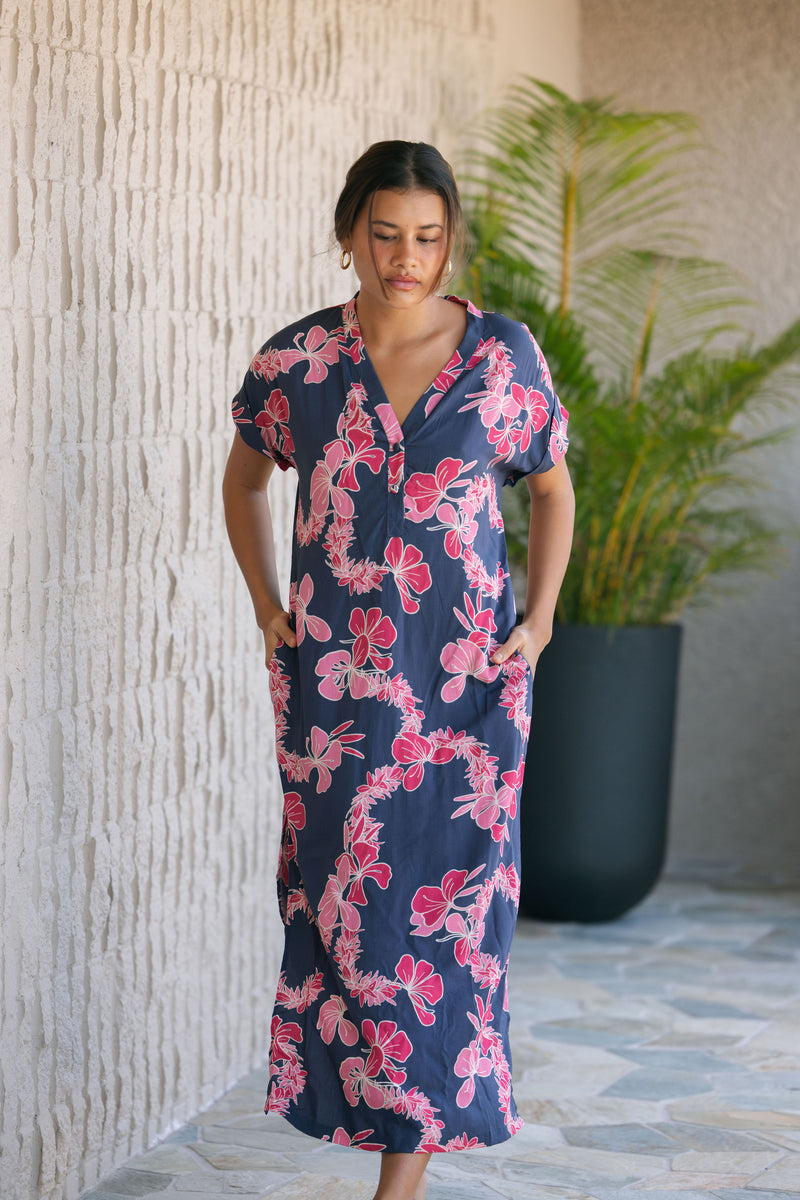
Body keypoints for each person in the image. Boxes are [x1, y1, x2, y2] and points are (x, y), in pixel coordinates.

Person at [222, 140, 574, 1200]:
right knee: (351, 917)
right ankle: (373, 1122)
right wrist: (265, 607)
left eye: (426, 237)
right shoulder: (297, 365)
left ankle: (401, 1179)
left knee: (449, 922)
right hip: (336, 697)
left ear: (448, 240)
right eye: (384, 235)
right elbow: (241, 483)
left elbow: (550, 490)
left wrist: (542, 620)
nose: (404, 258)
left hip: (464, 695)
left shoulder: (502, 358)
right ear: (348, 235)